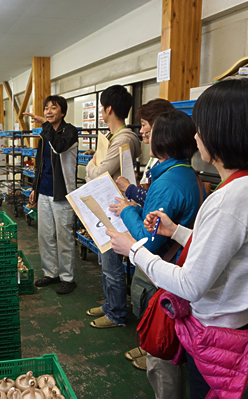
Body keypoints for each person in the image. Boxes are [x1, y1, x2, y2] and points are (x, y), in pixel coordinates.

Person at [107, 79, 248, 398]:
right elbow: (226, 247)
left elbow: (191, 283)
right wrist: (177, 231)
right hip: (243, 326)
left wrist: (134, 251)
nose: (195, 137)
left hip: (220, 339)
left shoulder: (229, 199)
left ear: (224, 133)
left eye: (201, 127)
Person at [110, 109, 202, 397]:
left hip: (163, 276)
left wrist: (126, 212)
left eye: (150, 132)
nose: (144, 135)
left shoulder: (168, 182)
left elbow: (149, 242)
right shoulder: (183, 173)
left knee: (162, 359)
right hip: (177, 268)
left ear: (162, 140)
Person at [83, 84, 141, 329]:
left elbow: (98, 173)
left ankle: (116, 313)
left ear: (108, 109)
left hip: (116, 211)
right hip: (109, 207)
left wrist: (91, 165)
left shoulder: (124, 139)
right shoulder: (114, 138)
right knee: (105, 261)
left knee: (111, 264)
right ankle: (110, 304)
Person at [24, 95, 79, 294]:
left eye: (53, 108)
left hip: (62, 192)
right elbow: (41, 164)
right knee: (45, 235)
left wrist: (43, 125)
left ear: (62, 112)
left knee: (64, 236)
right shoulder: (44, 135)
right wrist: (34, 188)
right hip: (44, 191)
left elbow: (59, 147)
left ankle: (67, 277)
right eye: (46, 108)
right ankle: (51, 273)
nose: (48, 111)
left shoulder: (69, 132)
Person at [116, 99, 175, 206]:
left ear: (157, 126)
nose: (141, 131)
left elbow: (157, 198)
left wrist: (129, 188)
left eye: (144, 125)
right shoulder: (156, 158)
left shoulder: (167, 163)